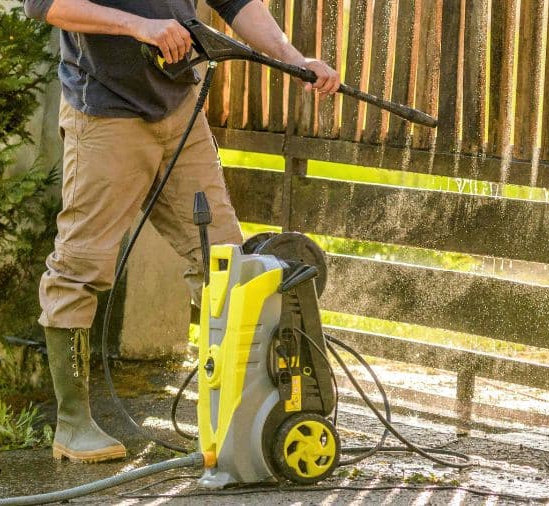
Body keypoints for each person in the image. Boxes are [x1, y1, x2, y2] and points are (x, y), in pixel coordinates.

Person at [22, 0, 341, 464]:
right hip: (105, 114)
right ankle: (73, 424)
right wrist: (140, 27)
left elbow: (235, 3)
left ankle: (234, 418)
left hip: (179, 112)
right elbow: (44, 5)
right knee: (79, 267)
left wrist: (294, 59)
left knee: (224, 263)